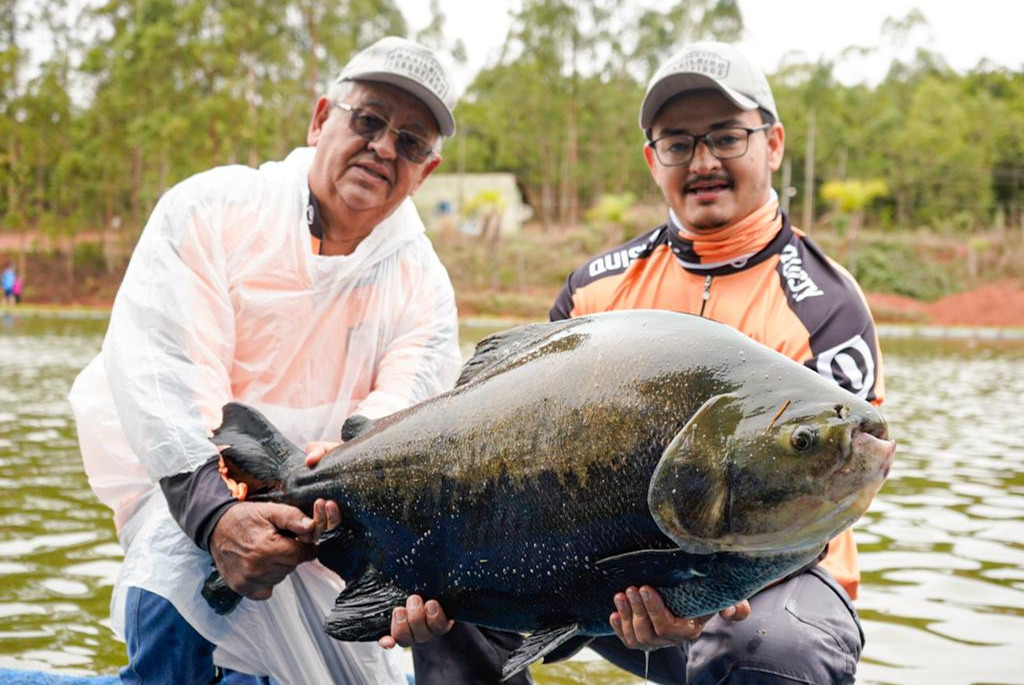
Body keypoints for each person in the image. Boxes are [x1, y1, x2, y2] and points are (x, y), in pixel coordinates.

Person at [405, 41, 885, 685]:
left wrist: (696, 595)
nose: (704, 161)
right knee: (448, 585)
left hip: (778, 585)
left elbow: (822, 485)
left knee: (774, 647)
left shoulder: (826, 303)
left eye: (727, 137)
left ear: (772, 144)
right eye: (678, 143)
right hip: (600, 571)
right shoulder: (595, 291)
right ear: (652, 160)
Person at [68, 36, 463, 685]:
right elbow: (162, 375)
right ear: (319, 119)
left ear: (428, 168)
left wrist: (339, 515)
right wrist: (217, 515)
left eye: (411, 141)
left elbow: (401, 421)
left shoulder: (424, 286)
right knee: (179, 569)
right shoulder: (212, 210)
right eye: (367, 120)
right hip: (190, 499)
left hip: (332, 526)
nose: (385, 147)